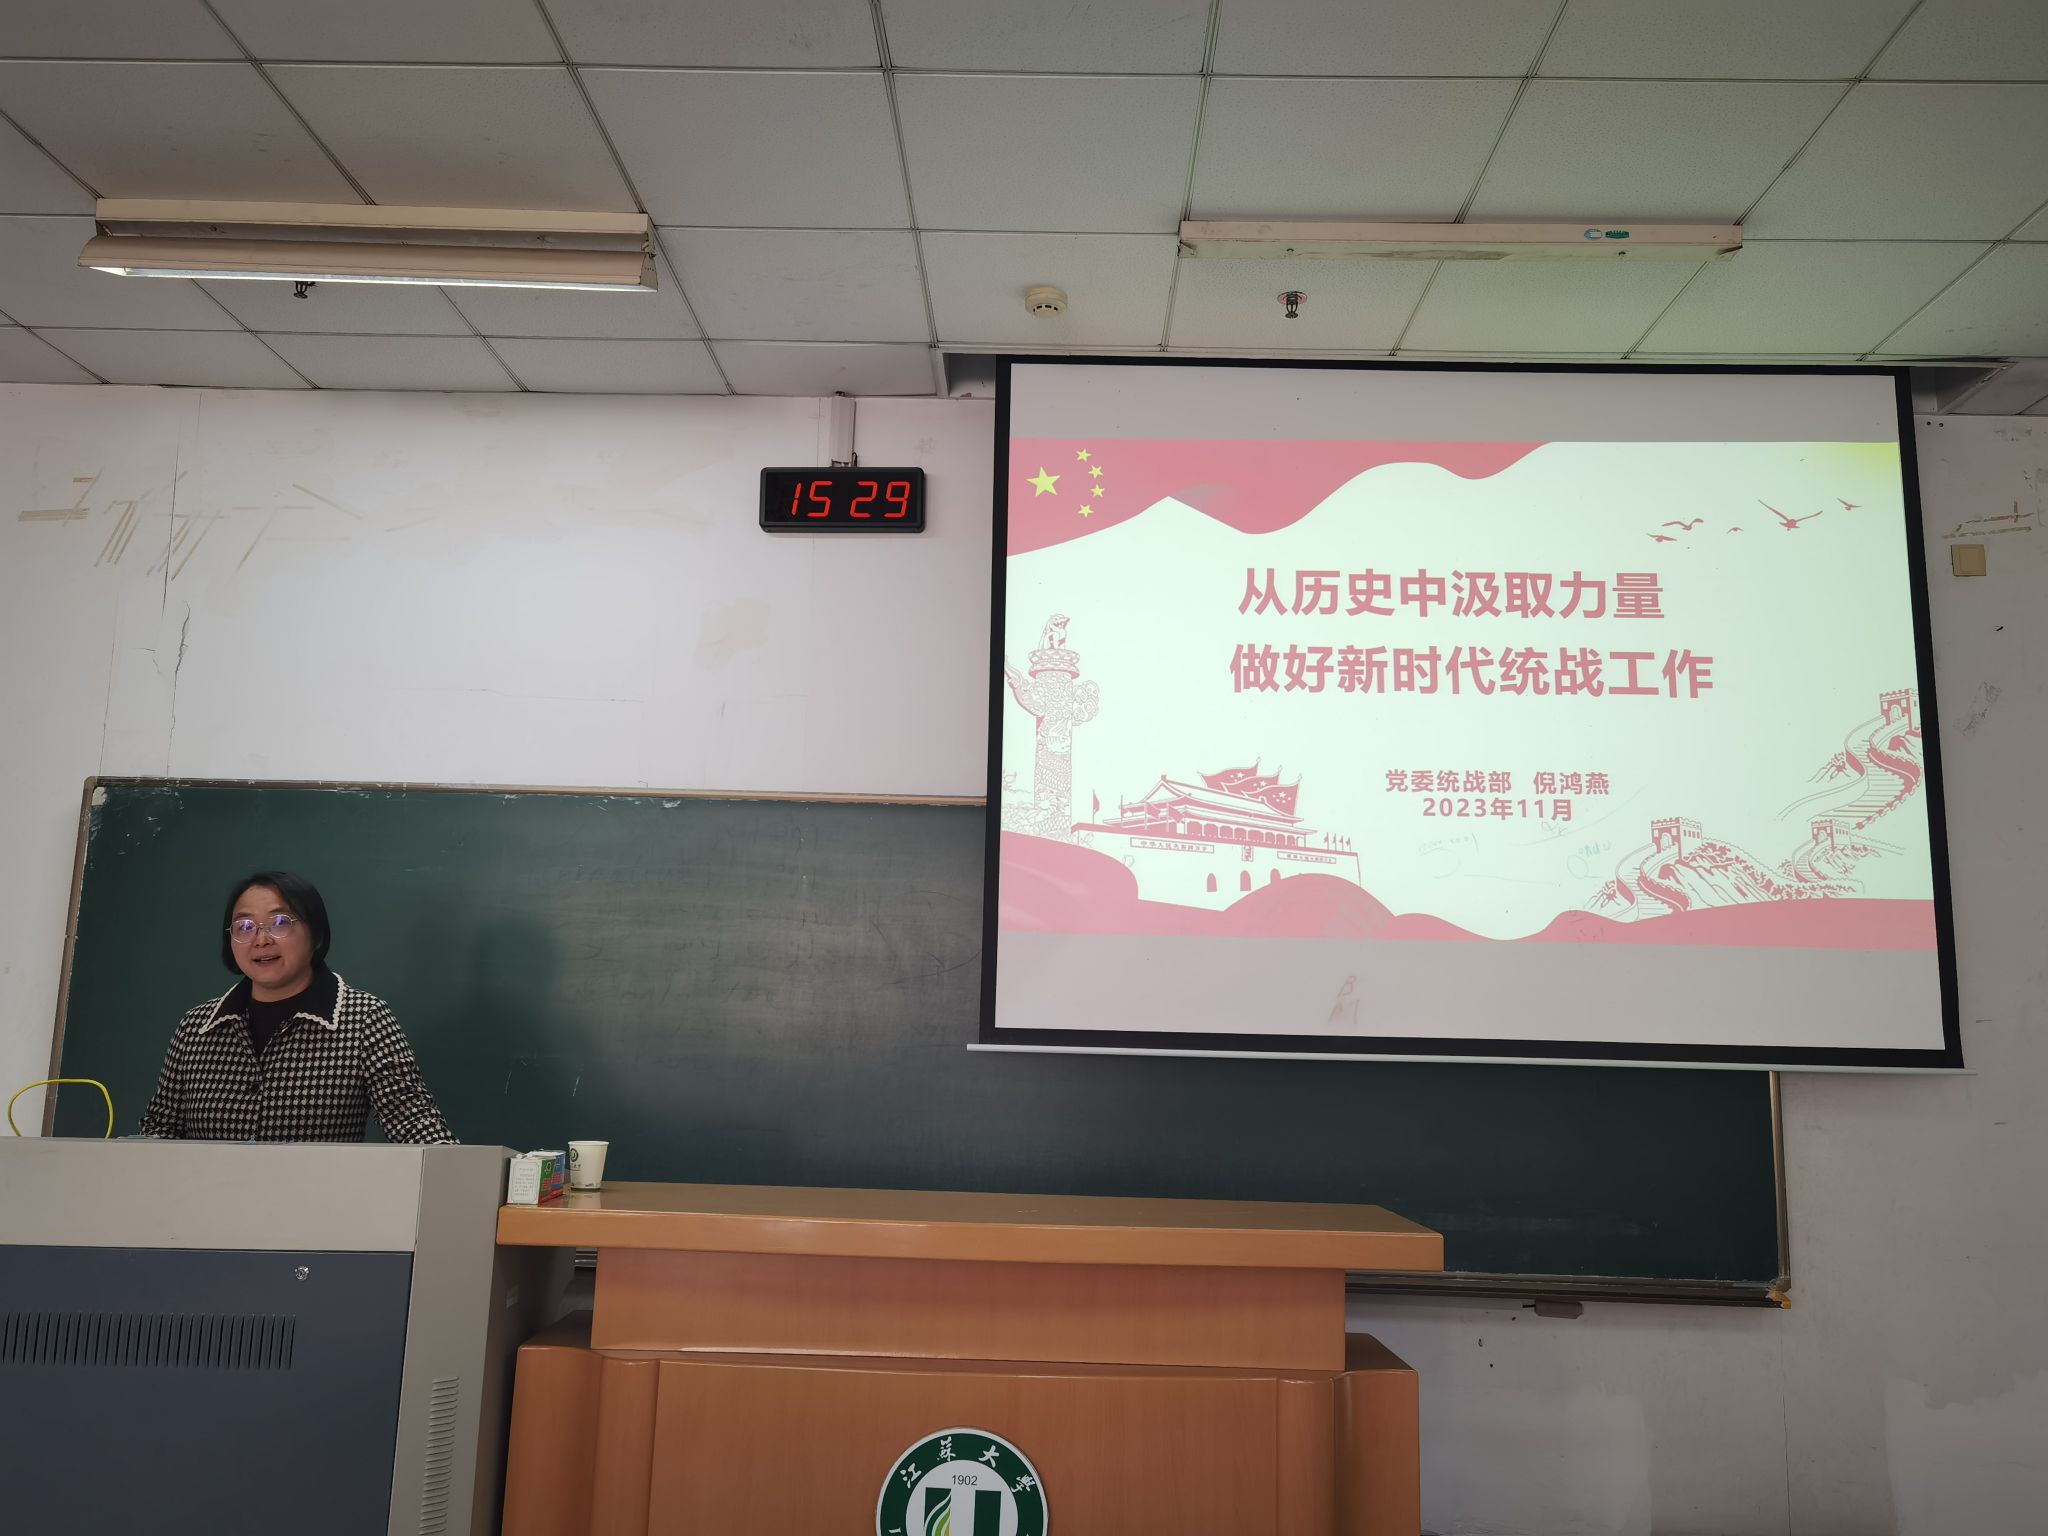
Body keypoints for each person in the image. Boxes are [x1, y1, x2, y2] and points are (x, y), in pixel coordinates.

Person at [139, 870, 454, 1143]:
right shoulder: (196, 1027)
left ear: (315, 934)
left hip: (321, 1195)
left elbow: (412, 1120)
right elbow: (160, 1130)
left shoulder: (363, 1018)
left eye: (279, 922)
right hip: (206, 1195)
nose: (261, 939)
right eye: (245, 926)